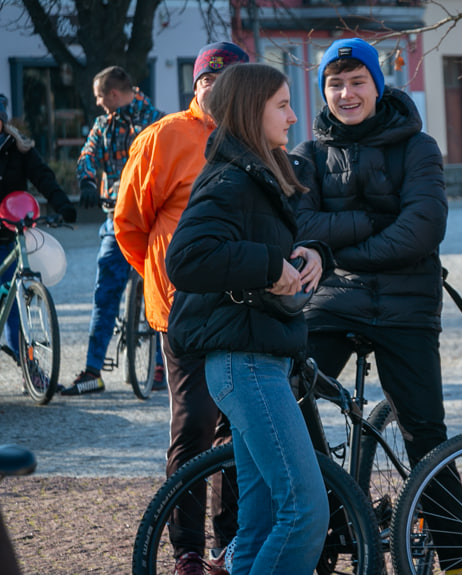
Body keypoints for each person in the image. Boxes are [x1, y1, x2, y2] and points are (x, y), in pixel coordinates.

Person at [291, 38, 462, 575]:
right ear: (323, 90)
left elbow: (421, 229)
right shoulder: (307, 153)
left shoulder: (418, 147)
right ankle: (317, 521)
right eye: (335, 83)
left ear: (377, 83)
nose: (346, 93)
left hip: (406, 308)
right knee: (288, 396)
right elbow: (296, 226)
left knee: (425, 435)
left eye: (357, 81)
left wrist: (339, 247)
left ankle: (457, 562)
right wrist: (369, 223)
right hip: (330, 301)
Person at [165, 62, 330, 575]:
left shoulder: (260, 175)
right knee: (305, 510)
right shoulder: (230, 180)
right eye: (282, 104)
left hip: (260, 359)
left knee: (258, 523)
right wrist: (267, 267)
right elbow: (186, 258)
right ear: (249, 110)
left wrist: (313, 252)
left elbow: (275, 241)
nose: (295, 116)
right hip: (246, 364)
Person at [115, 41, 248, 574]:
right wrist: (164, 280)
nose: (217, 88)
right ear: (195, 86)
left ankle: (233, 541)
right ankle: (187, 548)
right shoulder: (164, 137)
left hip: (242, 308)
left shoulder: (254, 137)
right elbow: (130, 226)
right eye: (207, 79)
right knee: (193, 425)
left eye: (229, 79)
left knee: (241, 428)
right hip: (183, 312)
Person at [65, 66, 164, 395]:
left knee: (162, 292)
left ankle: (162, 365)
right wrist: (87, 180)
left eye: (99, 97)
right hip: (116, 219)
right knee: (104, 294)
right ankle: (93, 371)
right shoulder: (102, 125)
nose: (97, 104)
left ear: (113, 94)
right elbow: (88, 154)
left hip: (152, 221)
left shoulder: (154, 121)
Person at [0, 94, 76, 363]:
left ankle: (29, 367)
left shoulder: (20, 149)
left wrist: (63, 206)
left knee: (14, 302)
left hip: (11, 234)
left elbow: (44, 179)